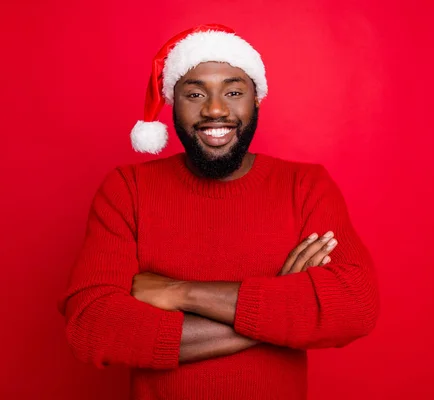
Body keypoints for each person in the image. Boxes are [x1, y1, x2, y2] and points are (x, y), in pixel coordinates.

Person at [58, 23, 379, 400]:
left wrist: (181, 293)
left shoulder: (304, 186)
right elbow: (93, 327)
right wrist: (281, 306)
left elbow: (355, 305)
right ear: (172, 103)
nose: (215, 109)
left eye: (233, 91)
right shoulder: (127, 190)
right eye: (194, 93)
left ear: (255, 98)